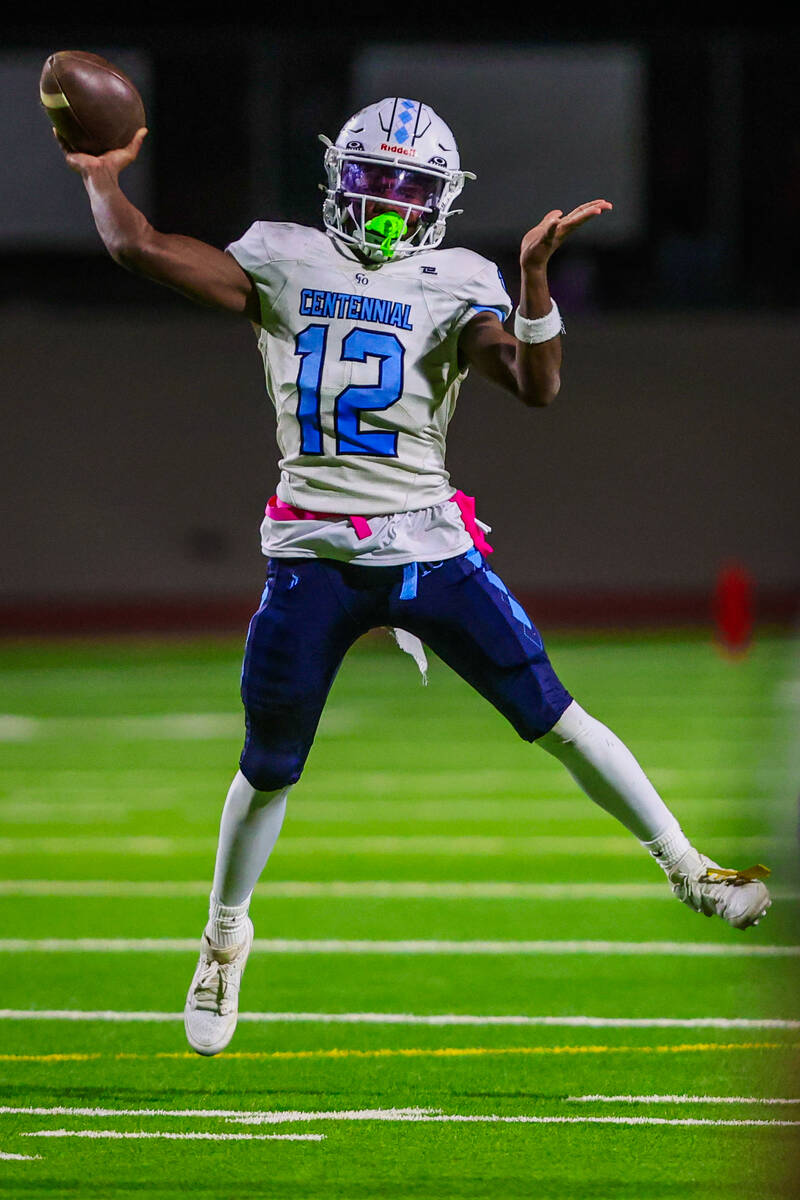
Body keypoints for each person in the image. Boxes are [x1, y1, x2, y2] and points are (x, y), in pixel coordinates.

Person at [57, 96, 771, 1058]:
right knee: (269, 766)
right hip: (313, 549)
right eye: (375, 181)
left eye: (410, 189)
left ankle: (689, 868)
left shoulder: (459, 277)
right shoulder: (282, 255)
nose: (390, 204)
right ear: (337, 180)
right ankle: (224, 938)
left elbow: (537, 385)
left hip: (431, 545)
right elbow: (141, 248)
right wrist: (102, 179)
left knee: (554, 715)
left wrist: (530, 285)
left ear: (441, 200)